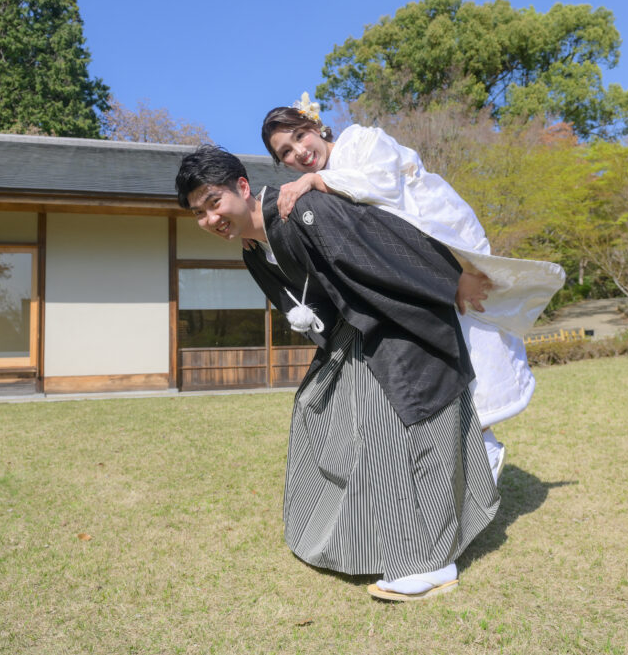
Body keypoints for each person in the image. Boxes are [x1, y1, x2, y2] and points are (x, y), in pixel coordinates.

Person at [175, 145, 500, 601]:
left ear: (242, 188)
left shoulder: (302, 208)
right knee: (322, 418)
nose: (211, 218)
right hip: (355, 338)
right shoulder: (254, 250)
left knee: (399, 441)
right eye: (199, 213)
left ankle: (430, 563)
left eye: (214, 202)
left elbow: (388, 246)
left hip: (398, 327)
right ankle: (368, 540)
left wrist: (452, 281)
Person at [261, 95, 566, 480]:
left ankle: (483, 443)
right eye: (286, 153)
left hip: (444, 241)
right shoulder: (322, 182)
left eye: (300, 136)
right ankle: (474, 448)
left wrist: (316, 180)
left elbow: (383, 183)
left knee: (472, 334)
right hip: (414, 261)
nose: (299, 153)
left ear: (317, 127)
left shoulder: (361, 141)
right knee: (446, 343)